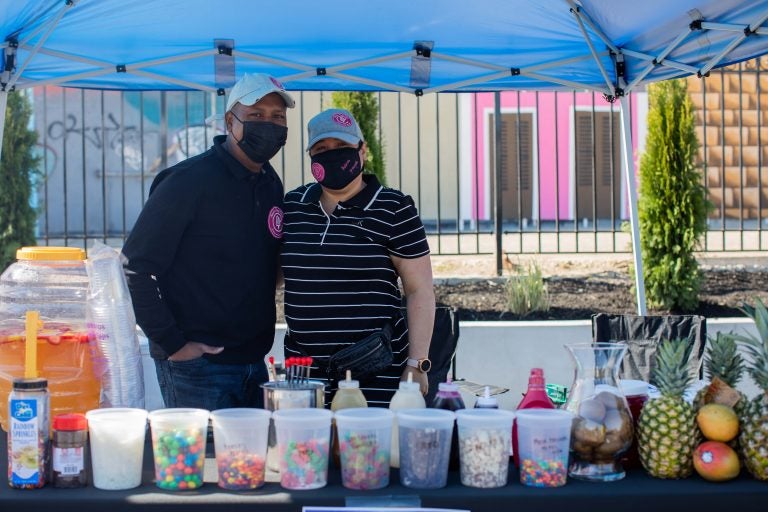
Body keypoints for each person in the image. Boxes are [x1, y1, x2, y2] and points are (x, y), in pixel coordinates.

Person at [121, 73, 295, 410]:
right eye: (256, 115)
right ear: (231, 121)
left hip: (254, 365)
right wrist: (175, 346)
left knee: (251, 463)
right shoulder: (187, 182)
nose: (268, 125)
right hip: (198, 370)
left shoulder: (270, 182)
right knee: (200, 464)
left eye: (277, 117)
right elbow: (134, 269)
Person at [281, 108, 436, 406]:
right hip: (304, 377)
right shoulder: (292, 207)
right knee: (307, 451)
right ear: (311, 157)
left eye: (342, 147)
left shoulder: (394, 208)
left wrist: (417, 364)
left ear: (363, 151)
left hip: (375, 374)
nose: (332, 155)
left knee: (369, 452)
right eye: (321, 149)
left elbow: (420, 290)